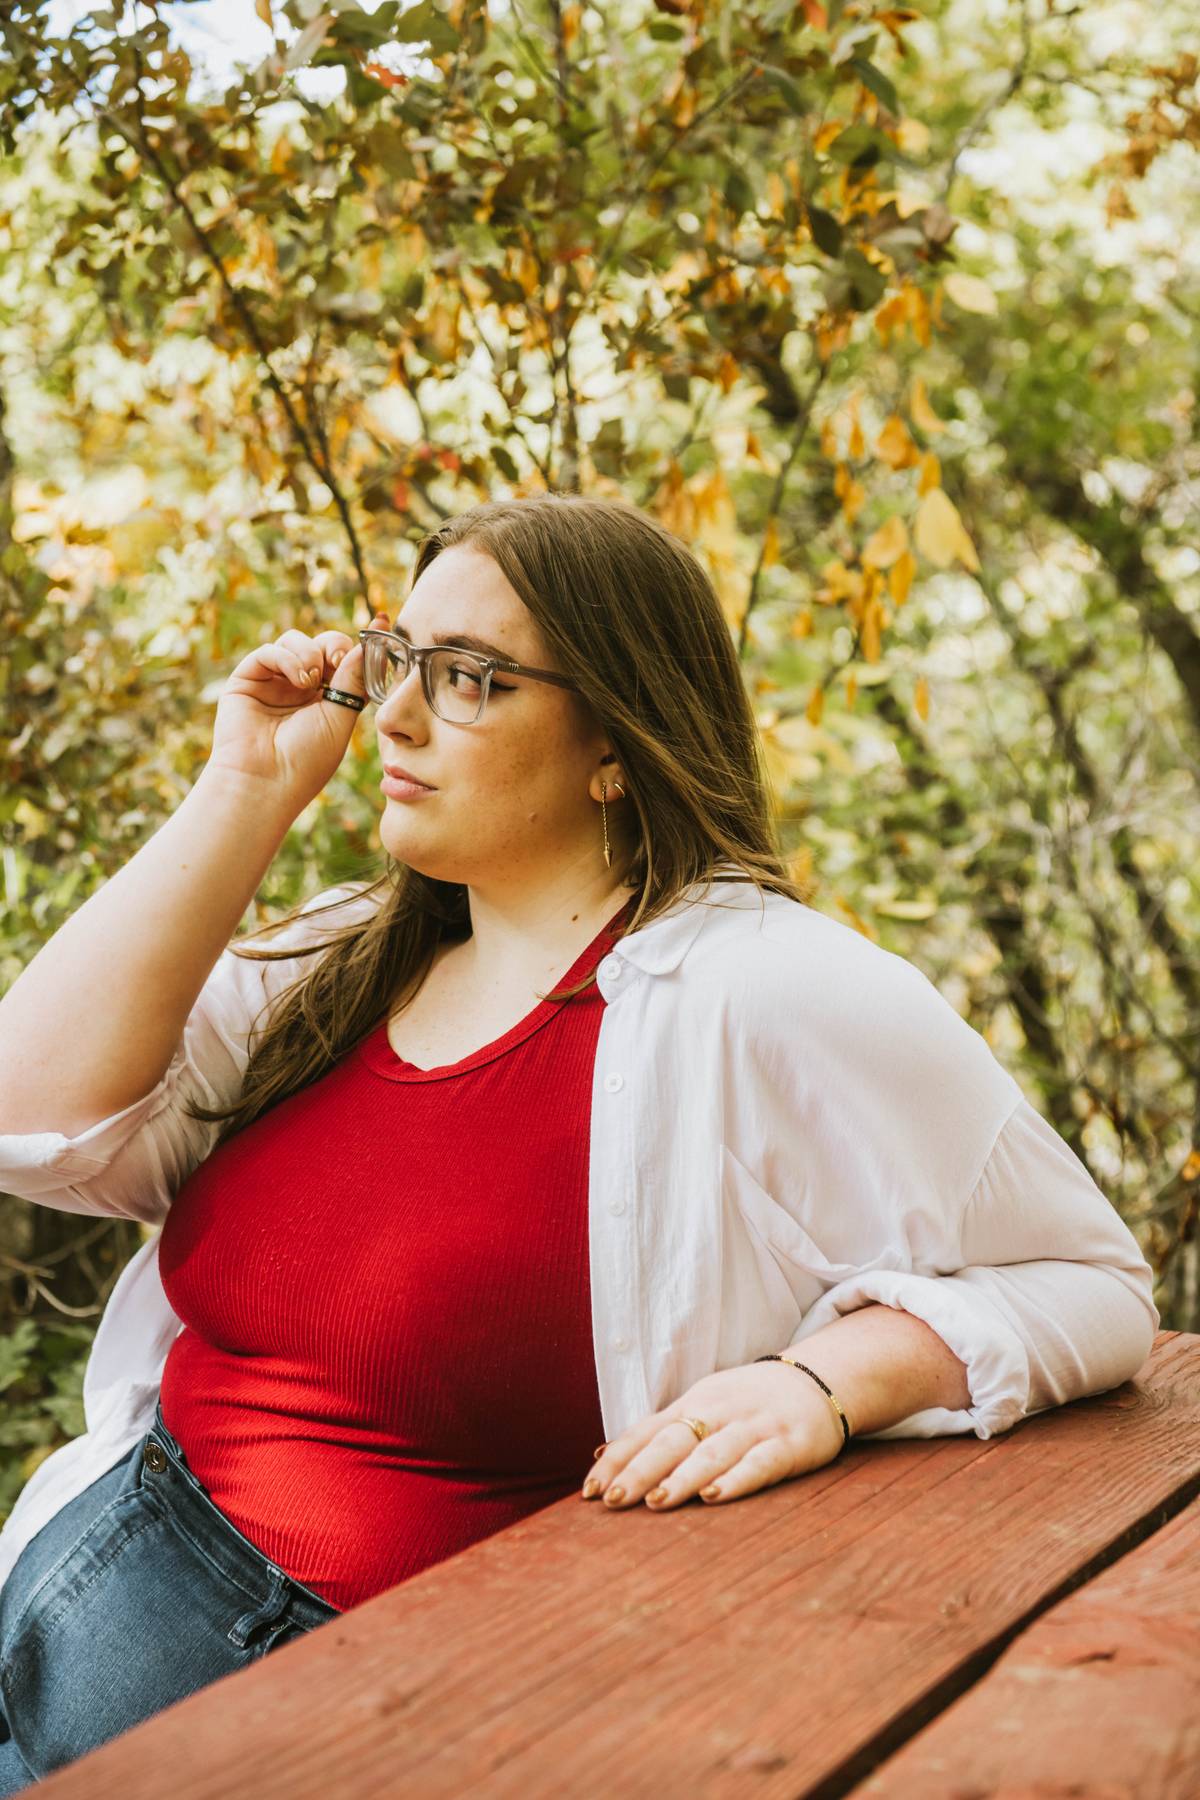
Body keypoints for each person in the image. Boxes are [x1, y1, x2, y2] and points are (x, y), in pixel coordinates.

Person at [0, 492, 1158, 1790]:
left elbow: (1093, 1287)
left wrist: (826, 1386)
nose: (391, 716)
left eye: (470, 680)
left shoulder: (761, 990)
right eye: (398, 661)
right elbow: (27, 1119)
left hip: (316, 1723)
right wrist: (244, 789)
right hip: (76, 1591)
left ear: (614, 737)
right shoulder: (343, 961)